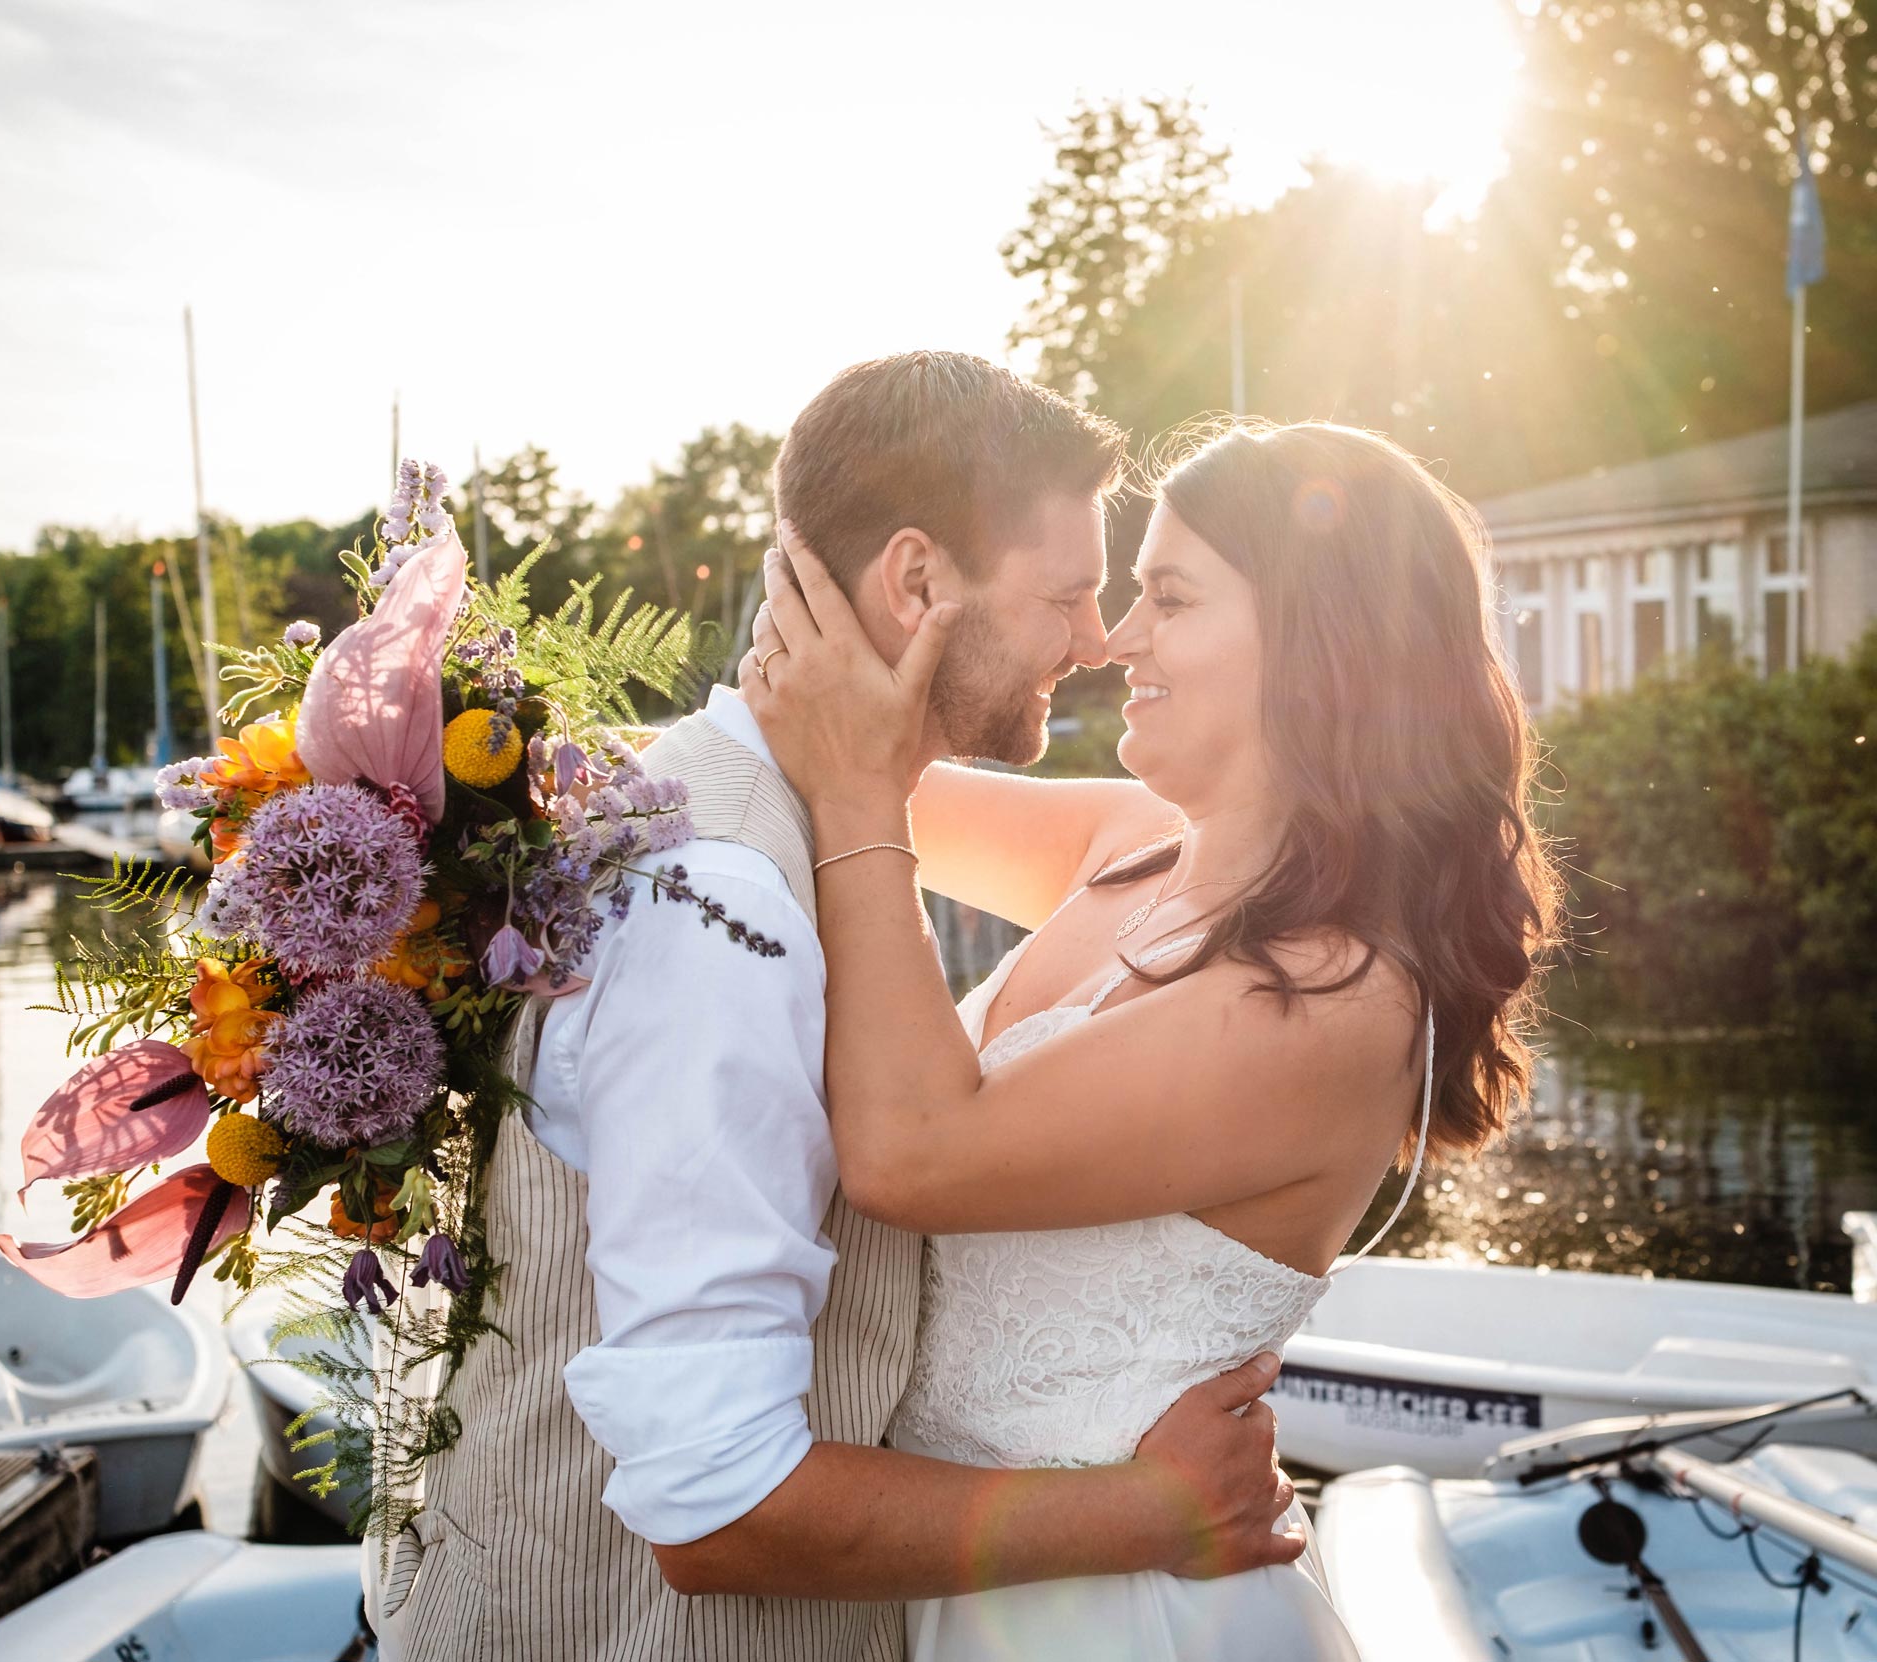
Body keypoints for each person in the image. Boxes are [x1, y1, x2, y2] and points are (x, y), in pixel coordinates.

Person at [366, 353, 1303, 1662]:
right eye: (1067, 594)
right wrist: (1151, 1515)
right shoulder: (725, 908)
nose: (1097, 639)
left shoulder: (735, 811)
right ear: (917, 582)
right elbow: (717, 1503)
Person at [740, 415, 1561, 1660]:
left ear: (1323, 642)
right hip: (954, 1582)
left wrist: (860, 789)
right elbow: (801, 762)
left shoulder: (1335, 1001)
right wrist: (487, 775)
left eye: (1168, 600)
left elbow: (910, 1151)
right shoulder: (1126, 845)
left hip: (1123, 1621)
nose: (1116, 639)